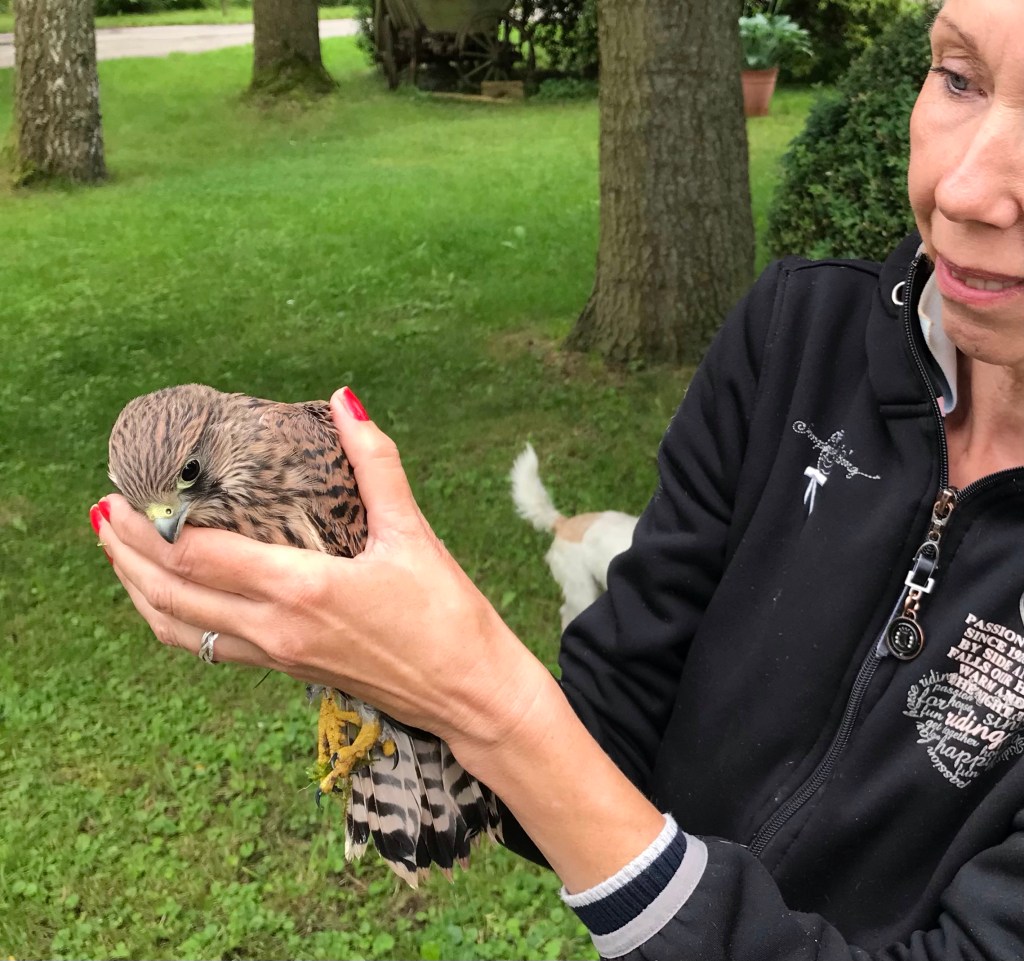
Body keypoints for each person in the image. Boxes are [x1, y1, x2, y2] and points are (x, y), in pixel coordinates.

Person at [91, 1, 1024, 957]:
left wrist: (477, 691)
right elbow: (615, 716)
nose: (965, 192)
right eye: (959, 78)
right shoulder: (798, 336)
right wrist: (404, 666)